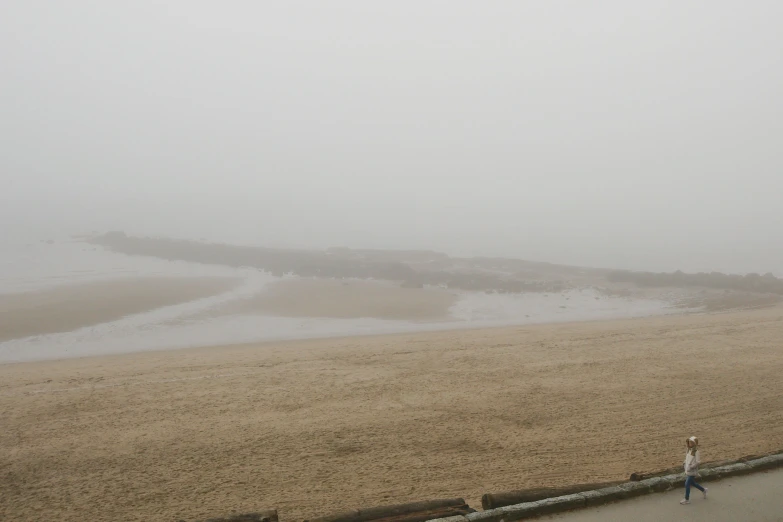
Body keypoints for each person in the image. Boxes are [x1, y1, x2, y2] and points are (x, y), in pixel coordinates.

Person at [680, 436, 708, 505]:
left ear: (694, 443)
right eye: (689, 442)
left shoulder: (696, 452)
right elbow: (687, 458)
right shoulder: (689, 450)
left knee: (687, 484)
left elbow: (698, 462)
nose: (690, 443)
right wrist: (684, 462)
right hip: (688, 469)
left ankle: (687, 499)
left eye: (691, 442)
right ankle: (703, 490)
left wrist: (691, 467)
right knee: (692, 483)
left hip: (692, 471)